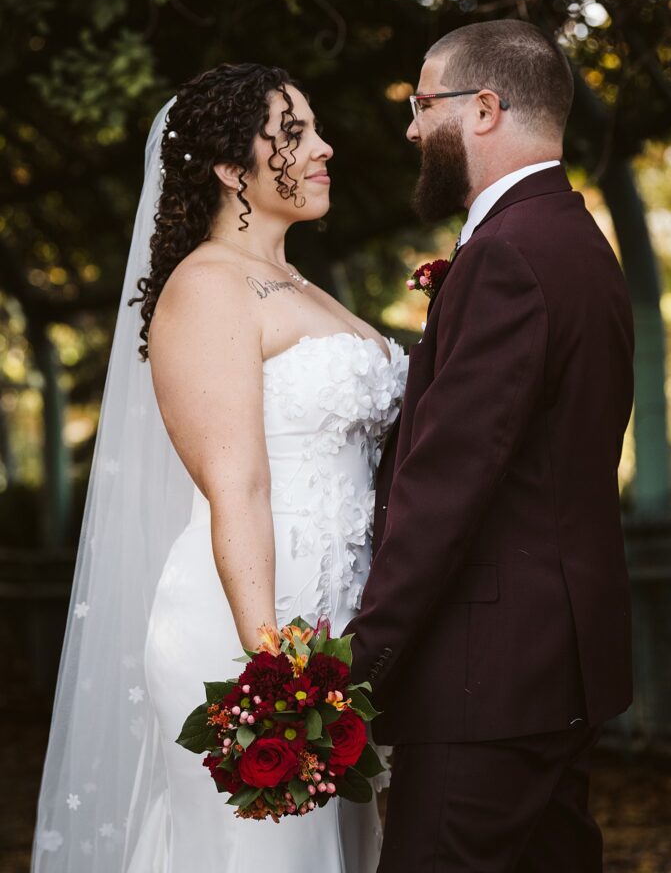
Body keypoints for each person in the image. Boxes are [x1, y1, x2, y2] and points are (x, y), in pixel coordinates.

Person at [31, 62, 407, 872]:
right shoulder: (207, 287)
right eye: (294, 132)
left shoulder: (299, 284)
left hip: (336, 630)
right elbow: (235, 483)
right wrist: (271, 669)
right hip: (250, 630)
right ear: (234, 170)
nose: (324, 147)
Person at [347, 19, 635, 873]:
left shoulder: (507, 254)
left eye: (419, 103)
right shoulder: (575, 241)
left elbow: (446, 487)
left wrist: (359, 667)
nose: (408, 128)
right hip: (554, 667)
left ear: (482, 109)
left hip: (487, 679)